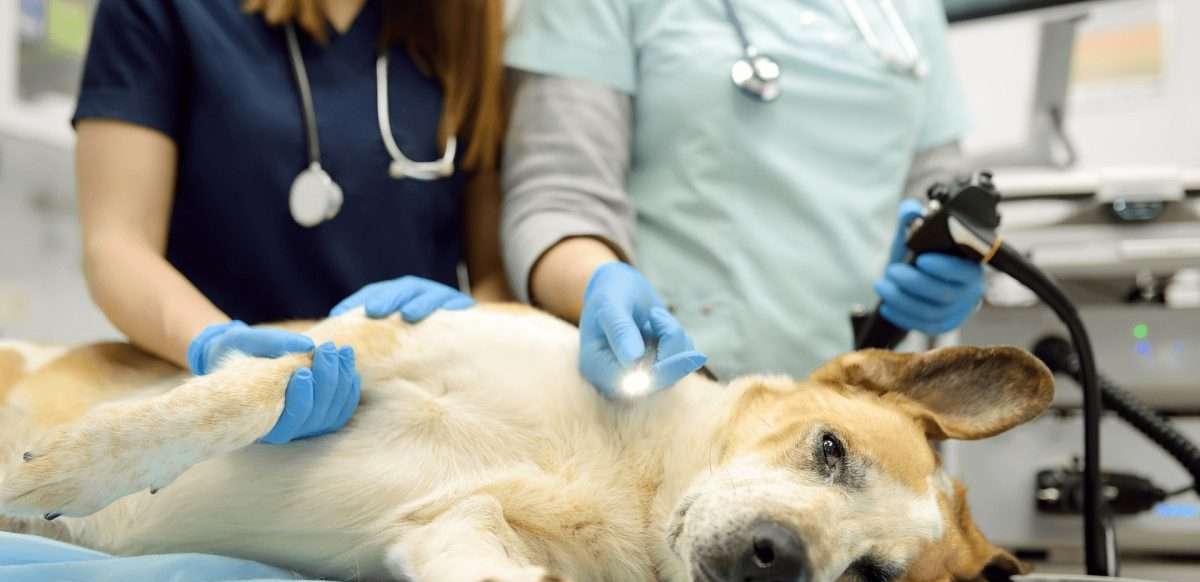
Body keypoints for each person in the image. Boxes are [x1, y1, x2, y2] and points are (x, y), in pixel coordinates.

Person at [501, 0, 985, 398]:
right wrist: (597, 285)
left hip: (871, 399)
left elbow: (937, 180)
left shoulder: (911, 11)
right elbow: (558, 195)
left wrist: (948, 264)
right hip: (673, 390)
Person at [74, 0, 508, 442]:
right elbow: (117, 244)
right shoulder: (163, 11)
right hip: (217, 422)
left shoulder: (463, 27)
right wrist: (218, 350)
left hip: (408, 424)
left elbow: (492, 271)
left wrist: (468, 324)